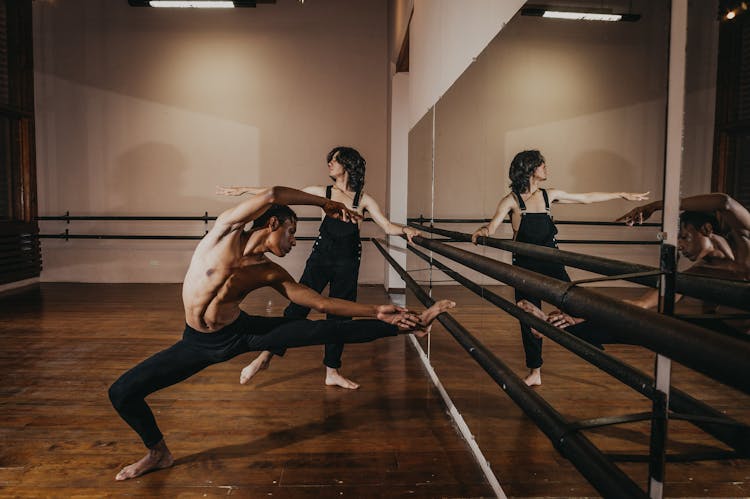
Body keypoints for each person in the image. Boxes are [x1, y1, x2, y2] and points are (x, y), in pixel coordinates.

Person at [108, 186, 455, 481]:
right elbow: (273, 193)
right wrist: (325, 203)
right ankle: (158, 453)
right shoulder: (224, 231)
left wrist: (378, 311)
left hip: (241, 334)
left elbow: (320, 303)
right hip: (197, 343)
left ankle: (412, 326)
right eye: (290, 232)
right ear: (272, 223)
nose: (293, 242)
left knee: (322, 330)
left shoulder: (270, 272)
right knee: (122, 392)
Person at [217, 146, 421, 390]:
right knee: (297, 309)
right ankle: (263, 357)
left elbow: (387, 227)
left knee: (341, 316)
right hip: (320, 260)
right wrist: (244, 190)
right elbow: (281, 195)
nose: (329, 164)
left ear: (347, 163)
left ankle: (332, 371)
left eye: (334, 160)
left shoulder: (363, 199)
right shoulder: (323, 193)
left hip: (348, 263)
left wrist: (406, 229)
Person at [470, 150, 648, 387]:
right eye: (542, 164)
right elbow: (492, 226)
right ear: (531, 168)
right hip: (525, 268)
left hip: (552, 263)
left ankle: (592, 343)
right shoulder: (512, 200)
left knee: (575, 307)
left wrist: (621, 194)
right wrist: (481, 232)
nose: (546, 167)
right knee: (528, 318)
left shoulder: (548, 195)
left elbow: (586, 198)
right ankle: (535, 371)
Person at [519, 193, 750, 346]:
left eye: (685, 237)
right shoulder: (697, 274)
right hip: (731, 337)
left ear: (707, 229)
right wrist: (581, 316)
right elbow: (641, 305)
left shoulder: (745, 243)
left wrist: (656, 206)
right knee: (642, 326)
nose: (679, 246)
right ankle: (554, 329)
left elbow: (725, 202)